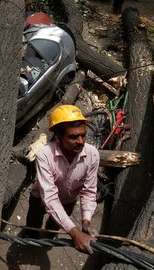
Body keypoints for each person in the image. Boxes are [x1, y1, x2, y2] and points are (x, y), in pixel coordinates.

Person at [25, 104, 99, 254]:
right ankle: (30, 241)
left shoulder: (92, 155)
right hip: (40, 198)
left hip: (67, 202)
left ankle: (48, 240)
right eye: (73, 137)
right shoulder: (45, 155)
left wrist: (86, 221)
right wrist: (75, 233)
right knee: (33, 225)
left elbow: (89, 191)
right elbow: (50, 198)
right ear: (58, 137)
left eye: (83, 135)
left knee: (53, 229)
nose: (81, 141)